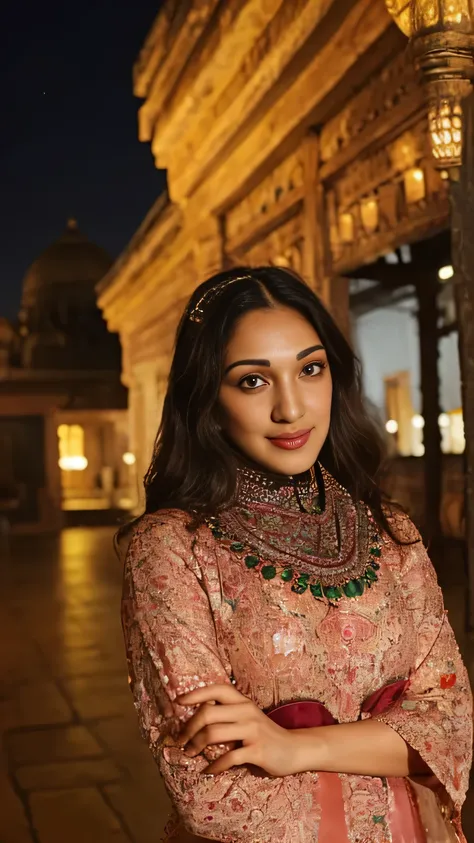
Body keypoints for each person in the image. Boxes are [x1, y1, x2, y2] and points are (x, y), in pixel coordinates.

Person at [121, 266, 472, 843]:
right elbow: (212, 793)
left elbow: (454, 723)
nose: (291, 408)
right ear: (206, 393)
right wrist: (389, 746)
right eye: (252, 381)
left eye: (310, 369)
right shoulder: (171, 549)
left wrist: (290, 747)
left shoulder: (390, 532)